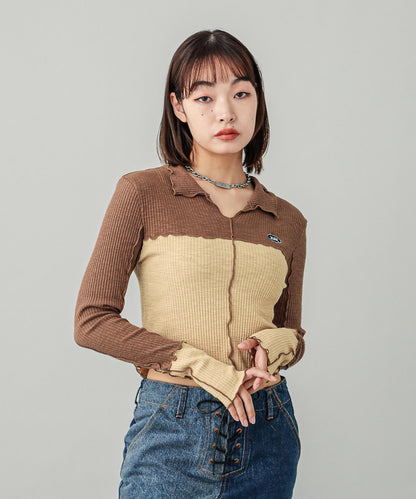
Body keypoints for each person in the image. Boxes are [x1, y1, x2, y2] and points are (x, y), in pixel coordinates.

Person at [74, 28, 308, 499]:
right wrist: (200, 365)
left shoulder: (288, 219)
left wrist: (273, 345)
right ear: (178, 107)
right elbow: (91, 321)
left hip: (267, 428)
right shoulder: (143, 193)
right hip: (173, 427)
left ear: (258, 101)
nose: (225, 112)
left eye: (241, 93)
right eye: (204, 97)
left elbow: (292, 333)